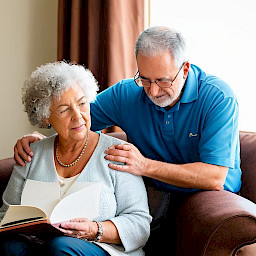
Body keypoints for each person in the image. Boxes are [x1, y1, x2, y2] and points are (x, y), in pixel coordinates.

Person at [14, 26, 241, 253]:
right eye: (144, 79)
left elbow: (215, 177)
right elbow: (75, 116)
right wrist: (41, 139)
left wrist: (144, 165)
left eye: (162, 80)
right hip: (154, 194)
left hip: (207, 197)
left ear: (185, 69)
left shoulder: (218, 97)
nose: (152, 91)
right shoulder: (127, 94)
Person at [0, 61, 152, 256]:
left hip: (101, 249)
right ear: (46, 117)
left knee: (60, 247)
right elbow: (6, 216)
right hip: (38, 246)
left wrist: (96, 229)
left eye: (82, 103)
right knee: (9, 247)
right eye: (64, 110)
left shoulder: (118, 153)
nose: (78, 116)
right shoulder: (32, 154)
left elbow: (139, 225)